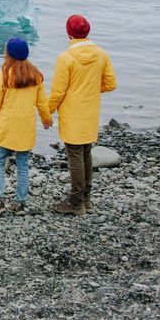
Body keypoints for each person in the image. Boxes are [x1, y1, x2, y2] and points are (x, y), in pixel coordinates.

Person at [47, 14, 117, 214]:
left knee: (75, 155)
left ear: (69, 33)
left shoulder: (66, 58)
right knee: (86, 152)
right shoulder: (101, 54)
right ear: (88, 31)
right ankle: (86, 198)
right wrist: (93, 90)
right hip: (90, 111)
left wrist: (47, 112)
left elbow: (58, 92)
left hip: (72, 113)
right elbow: (111, 84)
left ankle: (76, 202)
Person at [0, 36, 51, 214]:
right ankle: (19, 201)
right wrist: (46, 120)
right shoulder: (35, 76)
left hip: (5, 127)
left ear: (8, 54)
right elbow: (42, 103)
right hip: (25, 129)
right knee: (22, 165)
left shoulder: (4, 74)